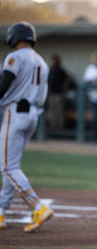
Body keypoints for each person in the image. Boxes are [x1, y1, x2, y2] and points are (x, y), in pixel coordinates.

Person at [0, 22, 54, 232]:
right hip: (32, 114)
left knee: (7, 167)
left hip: (15, 112)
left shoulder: (15, 57)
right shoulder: (42, 61)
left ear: (15, 37)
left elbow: (5, 84)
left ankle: (37, 206)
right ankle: (1, 211)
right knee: (11, 165)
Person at [47, 54, 70, 130]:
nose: (53, 62)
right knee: (52, 110)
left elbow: (68, 79)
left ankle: (60, 126)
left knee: (59, 110)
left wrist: (65, 88)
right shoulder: (50, 70)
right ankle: (53, 125)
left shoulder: (60, 71)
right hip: (51, 93)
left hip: (59, 93)